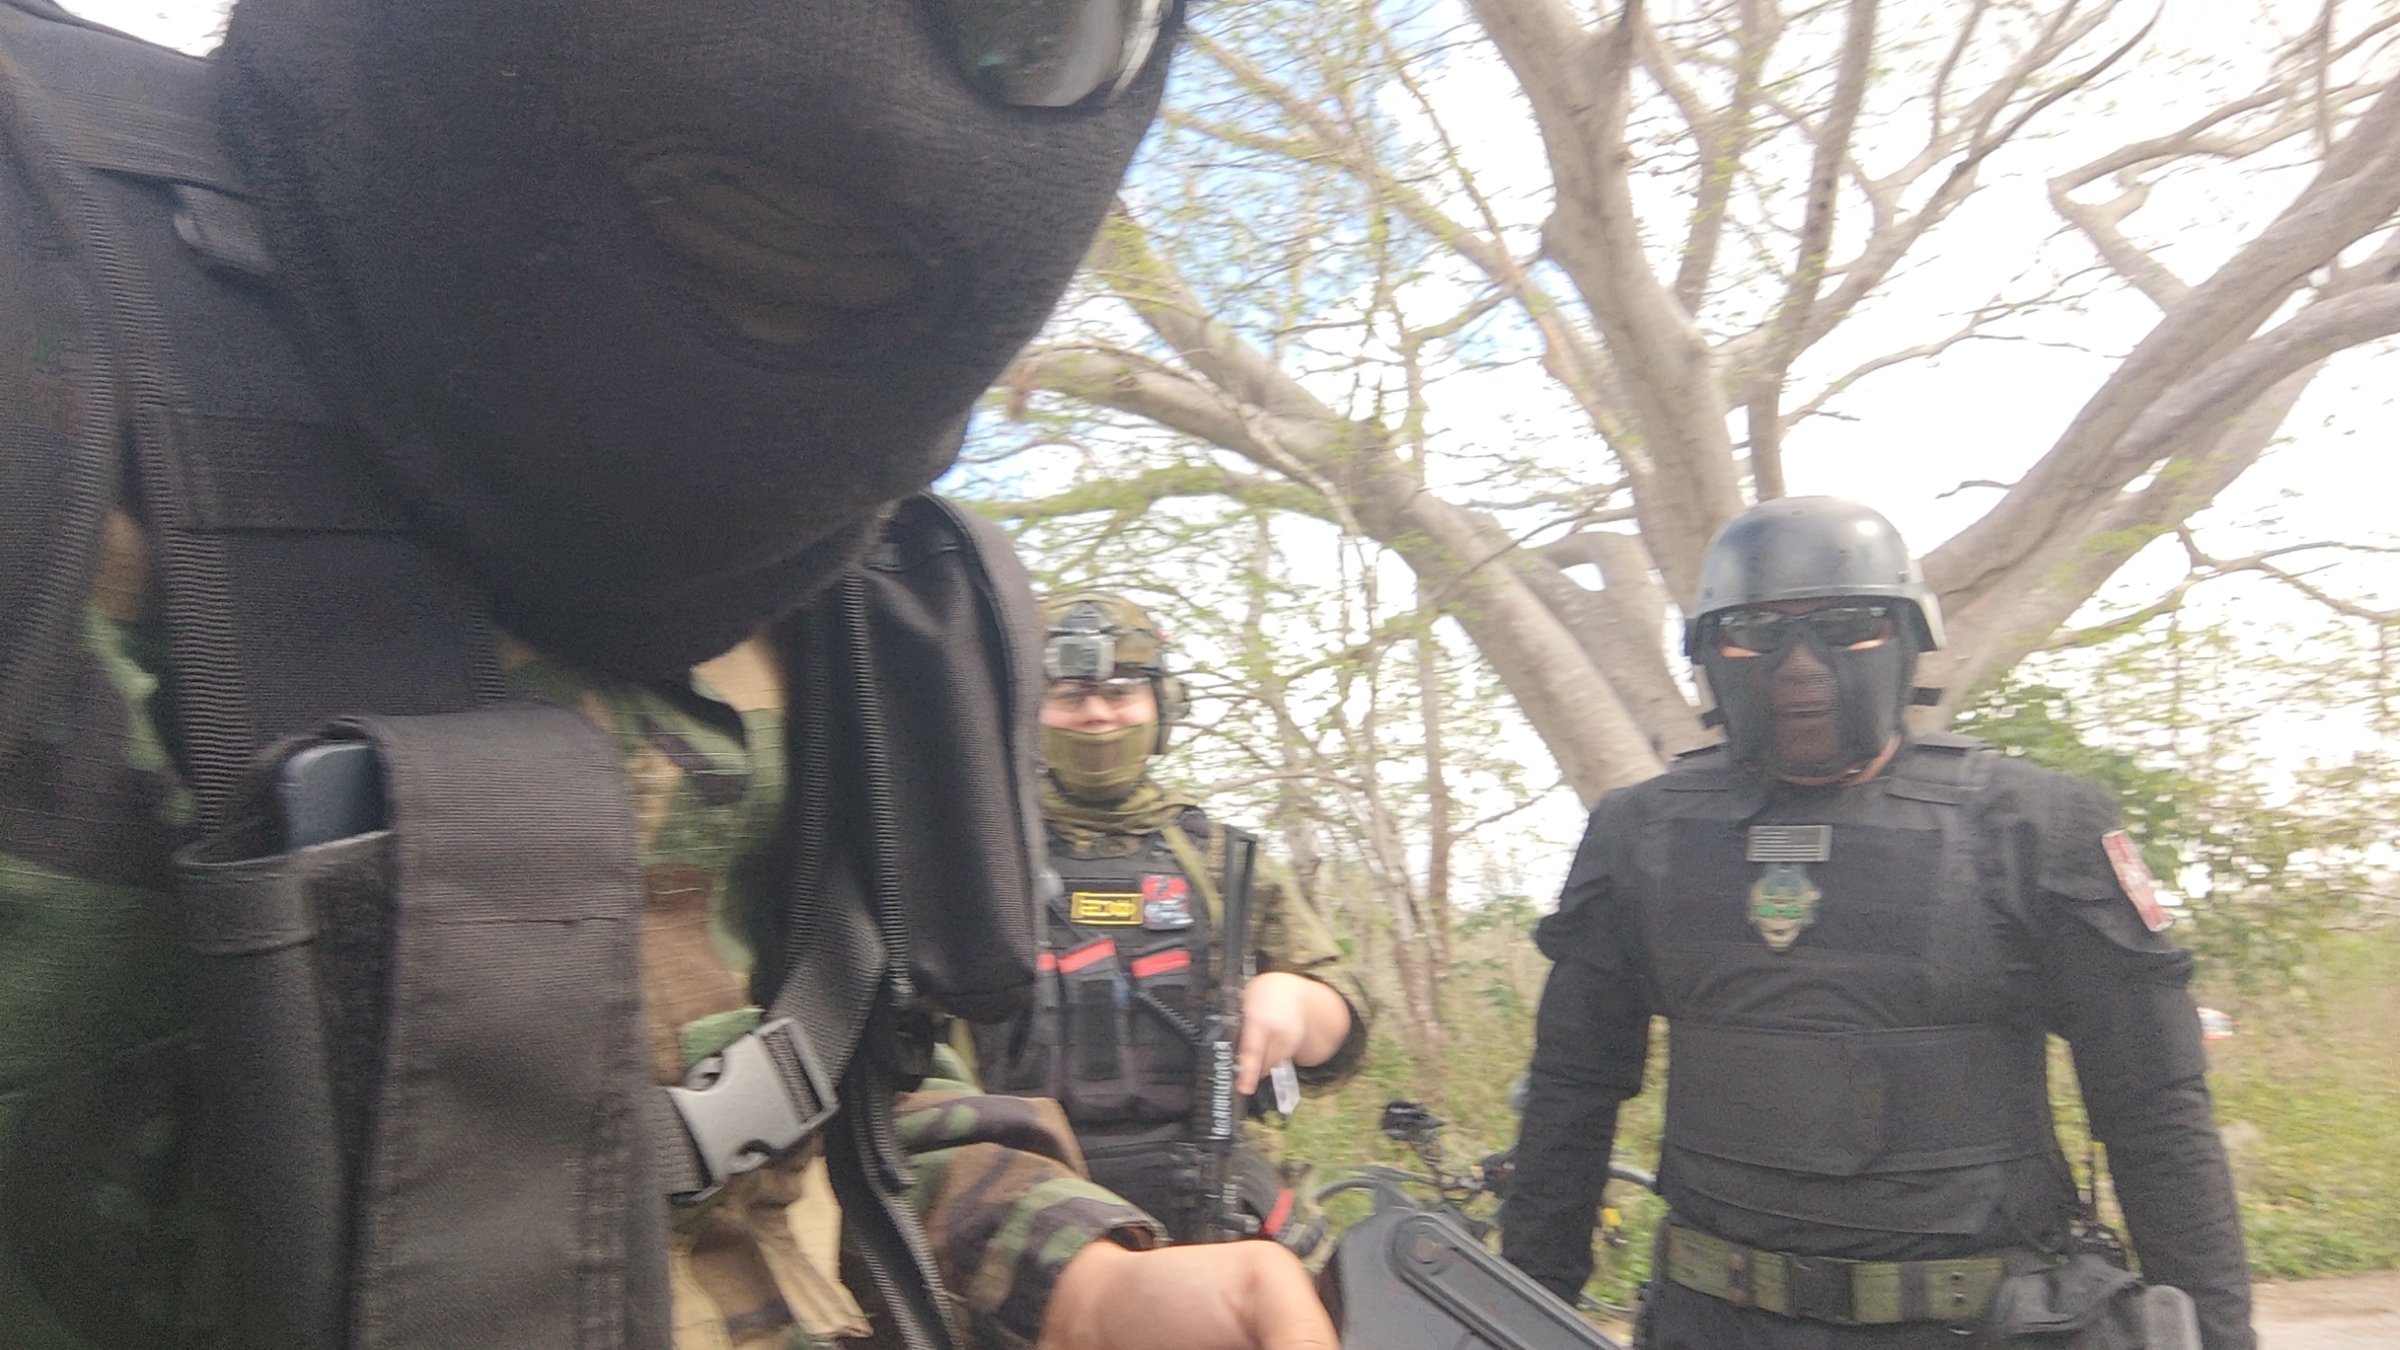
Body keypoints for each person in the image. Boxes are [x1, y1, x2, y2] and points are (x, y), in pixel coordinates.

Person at [0, 1, 1337, 1347]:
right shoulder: (50, 329)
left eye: (1031, 30)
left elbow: (848, 1082)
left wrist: (1083, 1283)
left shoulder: (850, 578)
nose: (881, 103)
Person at [1499, 497, 2254, 1350]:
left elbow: (2155, 1110)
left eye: (1845, 626)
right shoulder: (1640, 833)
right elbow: (1570, 1094)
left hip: (1975, 1328)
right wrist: (1523, 1315)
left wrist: (2218, 1337)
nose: (1798, 667)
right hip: (1711, 1324)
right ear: (1708, 653)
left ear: (1907, 640)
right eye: (1754, 631)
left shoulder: (2034, 825)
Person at [976, 593, 1369, 1262]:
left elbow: (1344, 1026)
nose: (1097, 713)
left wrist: (1298, 1001)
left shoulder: (1221, 860)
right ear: (1026, 711)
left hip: (1210, 1203)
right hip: (1012, 1209)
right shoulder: (977, 858)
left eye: (1120, 692)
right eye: (1070, 694)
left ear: (1162, 706)